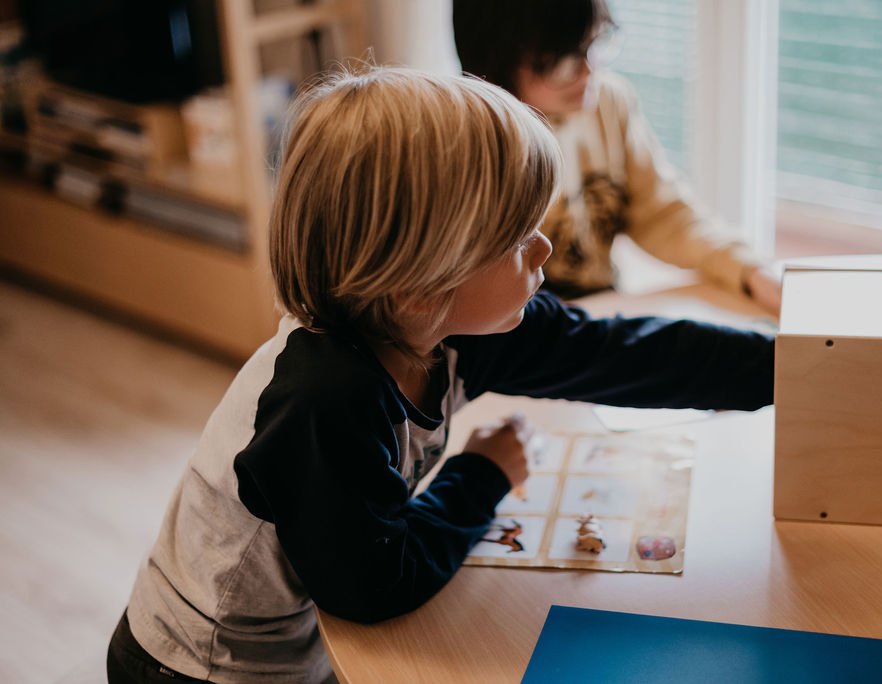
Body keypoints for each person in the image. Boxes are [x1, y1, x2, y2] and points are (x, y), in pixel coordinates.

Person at [106, 65, 774, 683]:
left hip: (303, 628)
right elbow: (376, 586)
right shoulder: (324, 398)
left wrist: (792, 367)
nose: (543, 247)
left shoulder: (447, 324)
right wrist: (481, 474)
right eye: (516, 239)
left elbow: (622, 353)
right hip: (198, 669)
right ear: (422, 285)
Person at [453, 0, 783, 313]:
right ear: (496, 58)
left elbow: (662, 214)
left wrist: (749, 270)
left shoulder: (609, 103)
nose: (588, 71)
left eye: (596, 42)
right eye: (563, 60)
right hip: (524, 332)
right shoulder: (467, 138)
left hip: (601, 312)